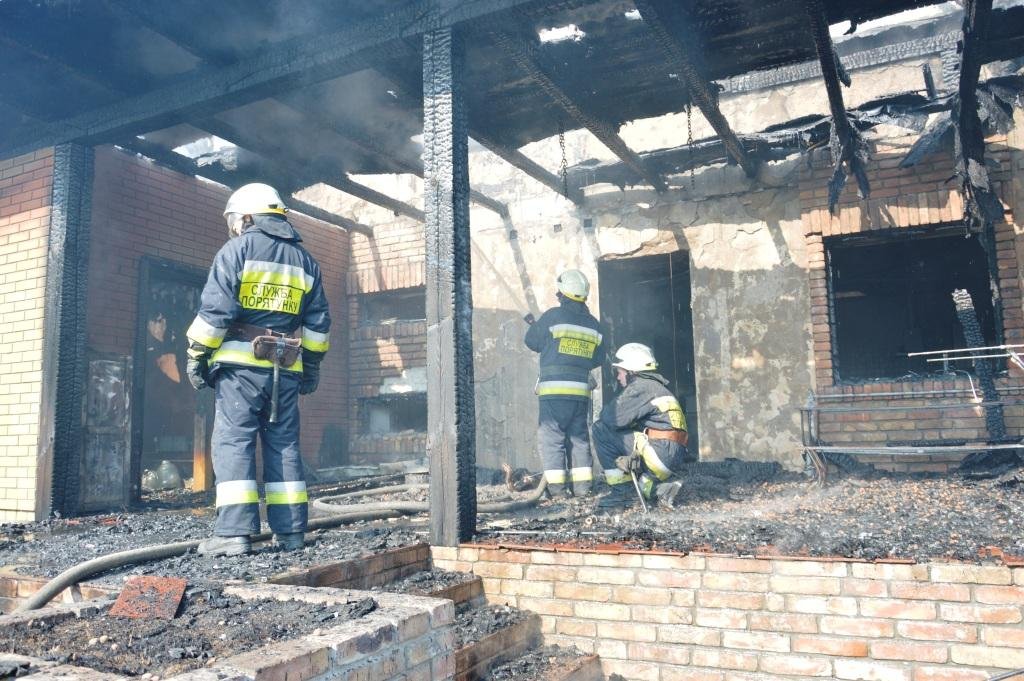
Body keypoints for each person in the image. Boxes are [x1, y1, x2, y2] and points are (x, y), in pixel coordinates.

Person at [185, 183, 330, 556]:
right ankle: (292, 533)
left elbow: (216, 313)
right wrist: (310, 367)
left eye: (236, 221)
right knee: (283, 444)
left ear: (249, 216)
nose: (234, 228)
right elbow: (317, 326)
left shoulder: (237, 251)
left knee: (234, 442)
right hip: (285, 368)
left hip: (239, 370)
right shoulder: (306, 262)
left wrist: (197, 356)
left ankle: (234, 534)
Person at [524, 269, 605, 498]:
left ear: (563, 294)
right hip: (580, 394)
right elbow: (599, 358)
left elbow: (532, 341)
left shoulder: (552, 317)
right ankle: (582, 489)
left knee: (552, 440)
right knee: (579, 439)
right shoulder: (593, 325)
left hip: (554, 393)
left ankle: (558, 491)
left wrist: (536, 327)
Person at [592, 342, 693, 511]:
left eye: (620, 372)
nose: (618, 377)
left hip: (659, 453)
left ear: (632, 371)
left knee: (600, 429)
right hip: (670, 458)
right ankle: (660, 490)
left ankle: (622, 493)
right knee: (642, 487)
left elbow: (610, 418)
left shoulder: (640, 387)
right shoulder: (657, 388)